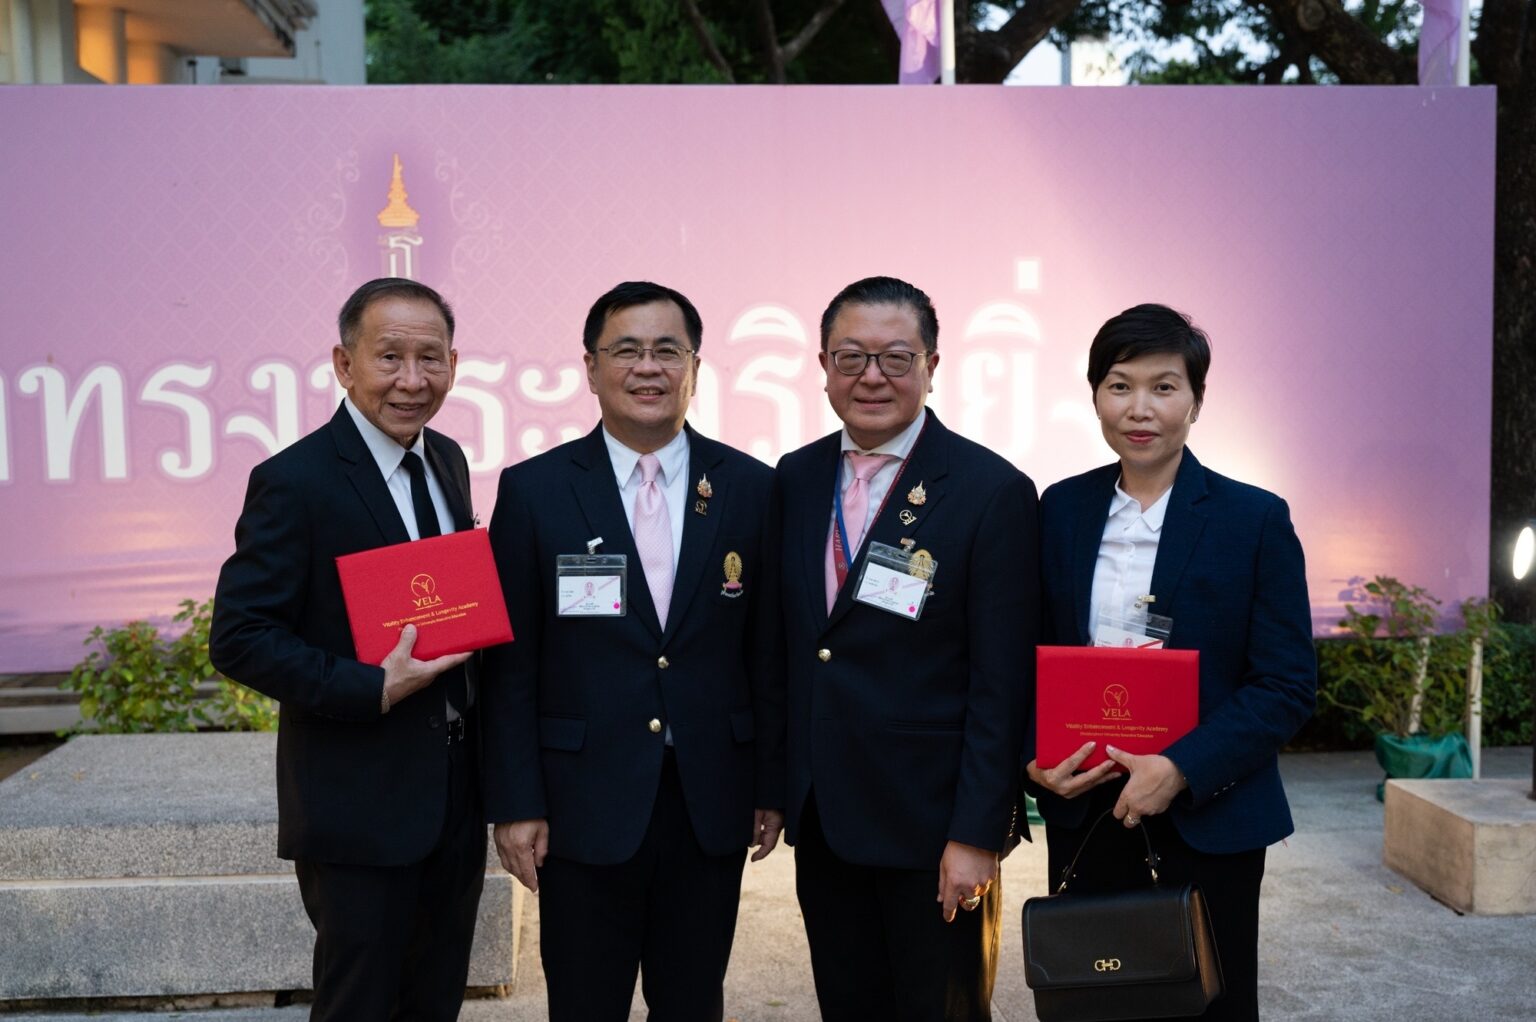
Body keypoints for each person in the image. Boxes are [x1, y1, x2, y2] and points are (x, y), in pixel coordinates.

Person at [481, 281, 784, 1021]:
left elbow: (769, 651)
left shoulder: (749, 487)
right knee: (585, 1004)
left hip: (707, 798)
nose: (647, 368)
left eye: (666, 351)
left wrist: (771, 785)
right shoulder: (534, 491)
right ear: (590, 368)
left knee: (692, 1002)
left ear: (694, 367)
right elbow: (510, 664)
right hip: (582, 803)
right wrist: (515, 802)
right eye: (626, 351)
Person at [1025, 303, 1317, 1022]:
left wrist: (1180, 768)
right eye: (1120, 386)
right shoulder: (1059, 510)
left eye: (1164, 387)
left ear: (1197, 400)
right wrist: (1032, 759)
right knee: (1094, 1000)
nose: (1140, 409)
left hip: (1209, 816)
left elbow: (1285, 685)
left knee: (1208, 1003)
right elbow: (1025, 658)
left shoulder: (1254, 519)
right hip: (1089, 809)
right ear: (1094, 394)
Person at [209, 277, 483, 1021]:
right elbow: (239, 637)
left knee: (434, 1000)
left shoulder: (447, 460)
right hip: (358, 802)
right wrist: (369, 686)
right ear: (343, 363)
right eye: (389, 357)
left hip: (454, 798)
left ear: (453, 366)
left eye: (430, 359)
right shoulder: (294, 481)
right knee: (360, 1004)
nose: (411, 380)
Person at [774, 276, 1040, 1021]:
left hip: (933, 828)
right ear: (822, 367)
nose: (872, 377)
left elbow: (1002, 681)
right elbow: (792, 651)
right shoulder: (794, 480)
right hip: (826, 817)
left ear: (932, 365)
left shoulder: (990, 490)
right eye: (851, 357)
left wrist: (978, 833)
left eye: (895, 358)